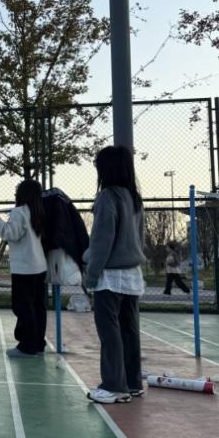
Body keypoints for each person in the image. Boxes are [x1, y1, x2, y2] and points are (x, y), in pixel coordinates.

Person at [83, 146, 147, 404]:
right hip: (132, 273)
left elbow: (101, 241)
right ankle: (132, 382)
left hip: (109, 276)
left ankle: (113, 385)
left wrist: (91, 275)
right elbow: (139, 238)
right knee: (129, 329)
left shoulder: (107, 197)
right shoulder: (134, 198)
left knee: (109, 331)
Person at [0, 180, 47, 357]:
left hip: (24, 269)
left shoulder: (19, 212)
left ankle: (27, 346)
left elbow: (9, 234)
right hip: (39, 267)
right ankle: (38, 344)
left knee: (22, 307)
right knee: (37, 307)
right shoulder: (38, 212)